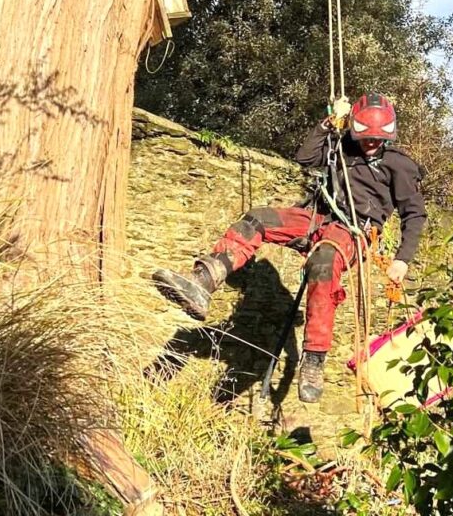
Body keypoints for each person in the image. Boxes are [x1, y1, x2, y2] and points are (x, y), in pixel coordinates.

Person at [152, 92, 427, 403]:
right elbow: (305, 158)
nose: (371, 143)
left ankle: (314, 358)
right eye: (366, 137)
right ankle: (203, 281)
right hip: (317, 218)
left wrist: (403, 259)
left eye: (378, 138)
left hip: (352, 233)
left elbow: (414, 215)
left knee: (323, 261)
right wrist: (328, 123)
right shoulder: (341, 143)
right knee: (258, 218)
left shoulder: (399, 166)